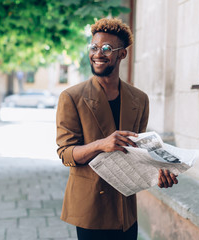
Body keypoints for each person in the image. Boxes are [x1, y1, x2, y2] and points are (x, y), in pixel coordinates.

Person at [56, 18, 178, 240]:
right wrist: (102, 144)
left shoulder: (140, 99)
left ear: (122, 54)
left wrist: (158, 173)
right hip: (91, 208)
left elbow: (138, 154)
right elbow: (65, 154)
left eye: (106, 48)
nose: (98, 54)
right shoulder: (71, 97)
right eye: (94, 47)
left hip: (125, 207)